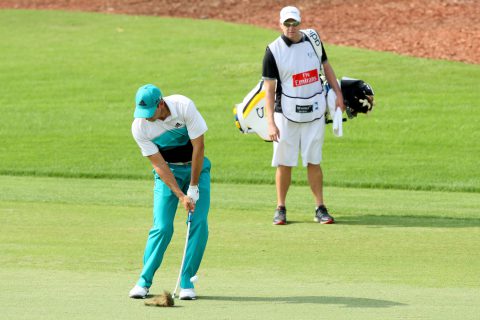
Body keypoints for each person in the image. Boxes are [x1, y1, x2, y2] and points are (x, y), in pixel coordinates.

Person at [262, 6, 345, 225]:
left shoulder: (313, 39)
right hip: (285, 114)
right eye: (287, 23)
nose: (291, 28)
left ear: (300, 22)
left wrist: (338, 94)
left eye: (294, 23)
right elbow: (269, 90)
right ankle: (280, 208)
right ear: (280, 24)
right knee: (284, 162)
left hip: (315, 112)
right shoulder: (273, 50)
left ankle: (320, 207)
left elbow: (326, 67)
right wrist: (270, 122)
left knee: (313, 161)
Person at [128, 84, 211, 300]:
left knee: (198, 223)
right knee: (162, 227)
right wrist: (181, 195)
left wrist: (193, 187)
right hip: (169, 172)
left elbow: (199, 148)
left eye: (150, 113)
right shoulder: (139, 127)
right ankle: (144, 281)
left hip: (196, 169)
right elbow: (159, 165)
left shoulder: (184, 106)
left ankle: (186, 283)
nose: (146, 118)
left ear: (161, 103)